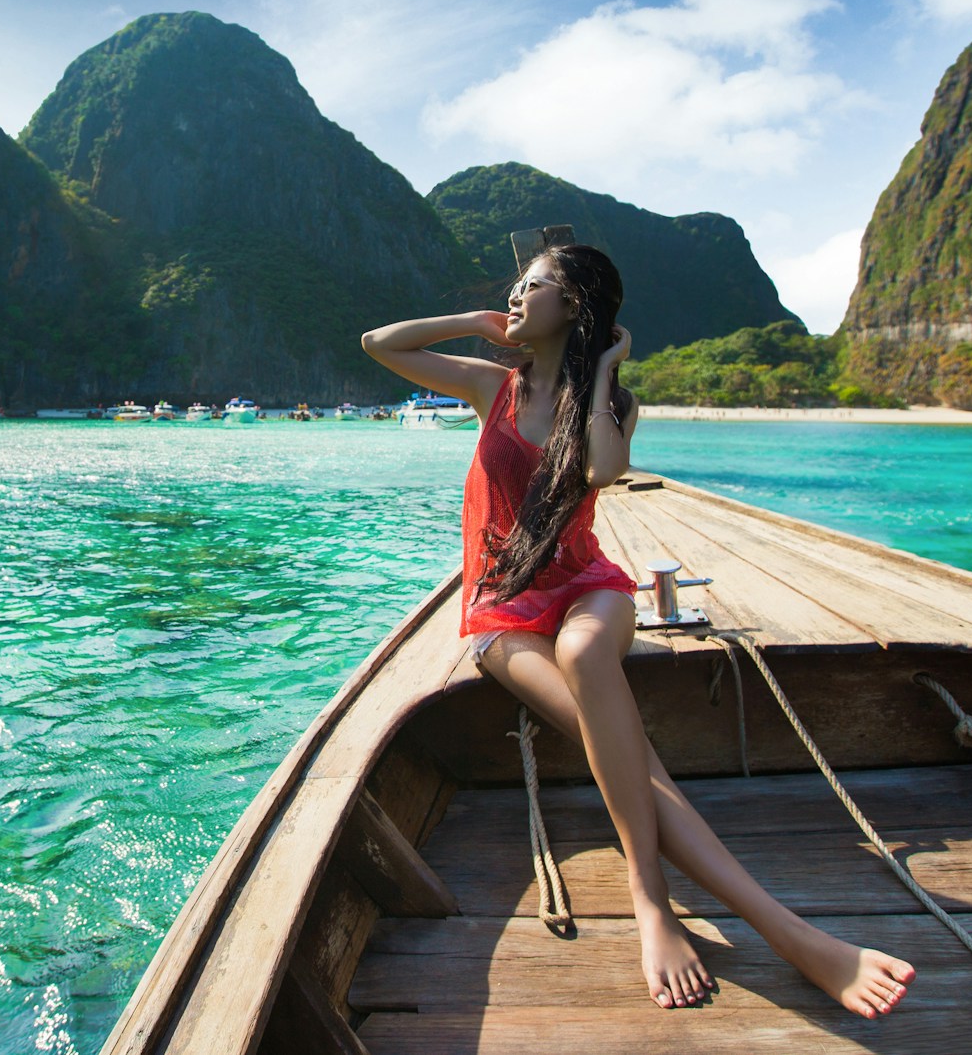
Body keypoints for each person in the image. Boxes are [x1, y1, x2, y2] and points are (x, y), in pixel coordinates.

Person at [359, 243, 916, 1016]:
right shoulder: (489, 384)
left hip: (590, 587)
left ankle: (663, 901)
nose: (516, 299)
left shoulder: (610, 404)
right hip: (503, 614)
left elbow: (601, 472)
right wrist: (480, 325)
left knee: (589, 652)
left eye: (534, 288)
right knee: (640, 766)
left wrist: (605, 376)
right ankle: (752, 925)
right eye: (514, 289)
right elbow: (379, 345)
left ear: (577, 308)